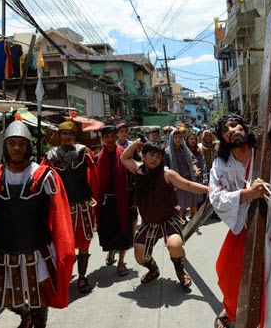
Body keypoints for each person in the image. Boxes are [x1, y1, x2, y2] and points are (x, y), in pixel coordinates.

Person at [0, 120, 75, 328]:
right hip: (4, 249)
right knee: (5, 297)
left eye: (21, 143)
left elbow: (60, 213)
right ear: (5, 146)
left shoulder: (44, 175)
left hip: (37, 249)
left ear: (28, 146)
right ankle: (26, 314)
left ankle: (39, 323)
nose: (16, 148)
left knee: (39, 298)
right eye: (12, 143)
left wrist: (63, 249)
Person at [209, 113, 271, 328]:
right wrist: (247, 194)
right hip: (244, 226)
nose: (232, 131)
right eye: (225, 131)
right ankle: (233, 311)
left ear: (244, 128)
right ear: (223, 139)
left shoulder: (264, 151)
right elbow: (216, 198)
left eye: (235, 126)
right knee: (228, 274)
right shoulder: (220, 165)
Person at [120, 140, 209, 289]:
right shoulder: (139, 170)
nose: (155, 159)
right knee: (140, 256)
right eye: (151, 155)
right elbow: (124, 157)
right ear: (143, 156)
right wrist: (137, 143)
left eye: (159, 156)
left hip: (169, 219)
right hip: (149, 222)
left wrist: (209, 190)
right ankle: (154, 270)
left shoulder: (168, 174)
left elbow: (188, 185)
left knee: (175, 245)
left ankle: (180, 271)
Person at [42, 120, 99, 294]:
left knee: (84, 243)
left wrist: (95, 199)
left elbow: (95, 176)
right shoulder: (50, 156)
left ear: (75, 136)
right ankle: (64, 275)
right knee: (63, 244)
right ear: (59, 136)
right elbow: (43, 180)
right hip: (62, 208)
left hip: (83, 204)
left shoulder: (84, 152)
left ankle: (82, 276)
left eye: (71, 134)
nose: (67, 137)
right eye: (64, 133)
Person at [96, 126, 134, 277]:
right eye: (107, 137)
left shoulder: (124, 155)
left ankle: (121, 262)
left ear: (116, 136)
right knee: (109, 230)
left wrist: (134, 199)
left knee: (123, 231)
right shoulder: (97, 157)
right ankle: (111, 252)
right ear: (102, 138)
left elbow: (133, 177)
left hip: (124, 199)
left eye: (112, 136)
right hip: (105, 201)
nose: (110, 140)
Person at [165, 130, 201, 222]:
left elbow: (192, 161)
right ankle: (180, 222)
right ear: (171, 138)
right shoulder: (167, 152)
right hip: (177, 183)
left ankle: (193, 222)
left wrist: (196, 170)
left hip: (189, 180)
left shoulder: (185, 150)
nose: (178, 139)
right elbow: (165, 167)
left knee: (193, 202)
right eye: (175, 137)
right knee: (180, 205)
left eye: (180, 137)